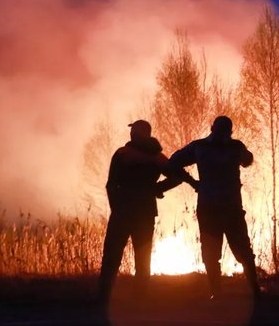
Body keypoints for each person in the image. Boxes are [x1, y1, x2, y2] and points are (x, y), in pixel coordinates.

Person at [99, 119, 196, 303]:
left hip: (122, 211)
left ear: (137, 134)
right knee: (143, 258)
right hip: (145, 212)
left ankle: (104, 297)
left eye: (133, 131)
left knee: (111, 256)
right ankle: (140, 298)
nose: (131, 133)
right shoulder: (156, 157)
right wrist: (157, 188)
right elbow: (177, 176)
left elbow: (111, 184)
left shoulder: (123, 154)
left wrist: (115, 207)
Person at [168, 116, 260, 299]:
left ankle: (217, 293)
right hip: (230, 207)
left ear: (212, 128)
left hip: (210, 207)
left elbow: (173, 163)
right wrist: (193, 182)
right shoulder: (234, 147)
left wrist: (193, 182)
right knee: (242, 250)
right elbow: (248, 160)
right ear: (230, 131)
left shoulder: (199, 147)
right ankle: (254, 291)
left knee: (212, 252)